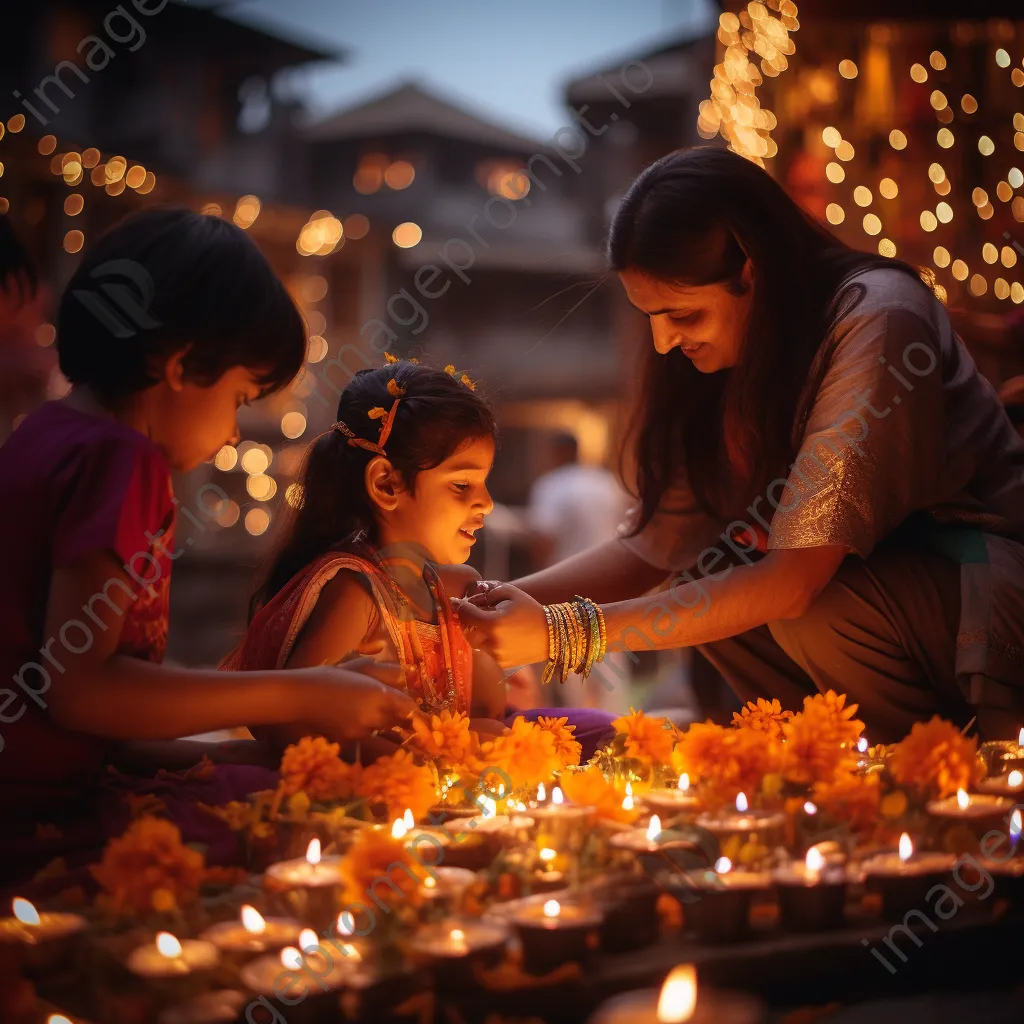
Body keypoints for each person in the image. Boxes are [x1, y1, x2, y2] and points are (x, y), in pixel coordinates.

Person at [455, 147, 1024, 745]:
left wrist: (563, 632)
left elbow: (794, 580)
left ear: (750, 270)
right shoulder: (727, 354)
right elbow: (652, 551)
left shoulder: (877, 318)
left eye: (682, 315)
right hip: (877, 605)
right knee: (713, 581)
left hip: (987, 588)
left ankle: (925, 774)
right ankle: (831, 779)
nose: (665, 340)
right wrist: (477, 606)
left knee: (792, 605)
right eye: (650, 316)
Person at [0, 208, 415, 888]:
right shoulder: (120, 459)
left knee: (264, 782)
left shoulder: (42, 432)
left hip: (52, 784)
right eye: (240, 396)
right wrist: (295, 694)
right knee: (320, 828)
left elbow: (91, 715)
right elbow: (80, 689)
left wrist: (227, 750)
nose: (230, 432)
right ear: (183, 365)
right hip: (37, 821)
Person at [223, 360, 618, 760]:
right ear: (387, 484)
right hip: (385, 791)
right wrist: (415, 760)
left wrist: (484, 699)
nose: (486, 503)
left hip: (455, 789)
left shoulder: (458, 588)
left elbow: (486, 712)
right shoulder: (357, 594)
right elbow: (294, 726)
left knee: (601, 730)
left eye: (484, 483)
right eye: (462, 485)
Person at [527, 431, 632, 713]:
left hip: (567, 582)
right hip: (611, 580)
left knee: (571, 659)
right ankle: (619, 729)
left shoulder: (550, 486)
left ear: (557, 453)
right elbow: (631, 531)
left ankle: (583, 731)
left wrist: (539, 583)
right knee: (611, 655)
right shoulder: (607, 483)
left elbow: (543, 539)